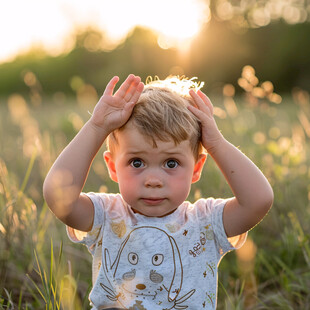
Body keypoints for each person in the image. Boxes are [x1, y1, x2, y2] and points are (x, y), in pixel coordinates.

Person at [43, 74, 273, 309]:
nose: (153, 180)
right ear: (113, 166)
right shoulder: (107, 215)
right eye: (137, 162)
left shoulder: (205, 222)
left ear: (196, 168)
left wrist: (216, 143)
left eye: (171, 163)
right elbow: (58, 194)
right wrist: (97, 127)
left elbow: (259, 201)